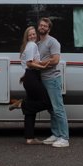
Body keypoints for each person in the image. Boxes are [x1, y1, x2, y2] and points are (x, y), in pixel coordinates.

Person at [12, 25, 52, 145]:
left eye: (34, 34)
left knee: (31, 112)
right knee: (47, 102)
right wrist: (43, 66)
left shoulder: (27, 46)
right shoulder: (32, 45)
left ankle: (30, 138)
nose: (33, 36)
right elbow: (30, 64)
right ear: (27, 36)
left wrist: (41, 65)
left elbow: (30, 63)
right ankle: (23, 104)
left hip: (29, 77)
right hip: (32, 77)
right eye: (30, 34)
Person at [36, 16, 70, 148]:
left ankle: (64, 138)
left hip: (52, 79)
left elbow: (55, 60)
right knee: (51, 109)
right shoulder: (39, 44)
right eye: (41, 25)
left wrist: (38, 64)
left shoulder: (53, 42)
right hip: (43, 80)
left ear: (49, 28)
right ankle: (55, 134)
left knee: (58, 108)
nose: (42, 27)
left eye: (45, 26)